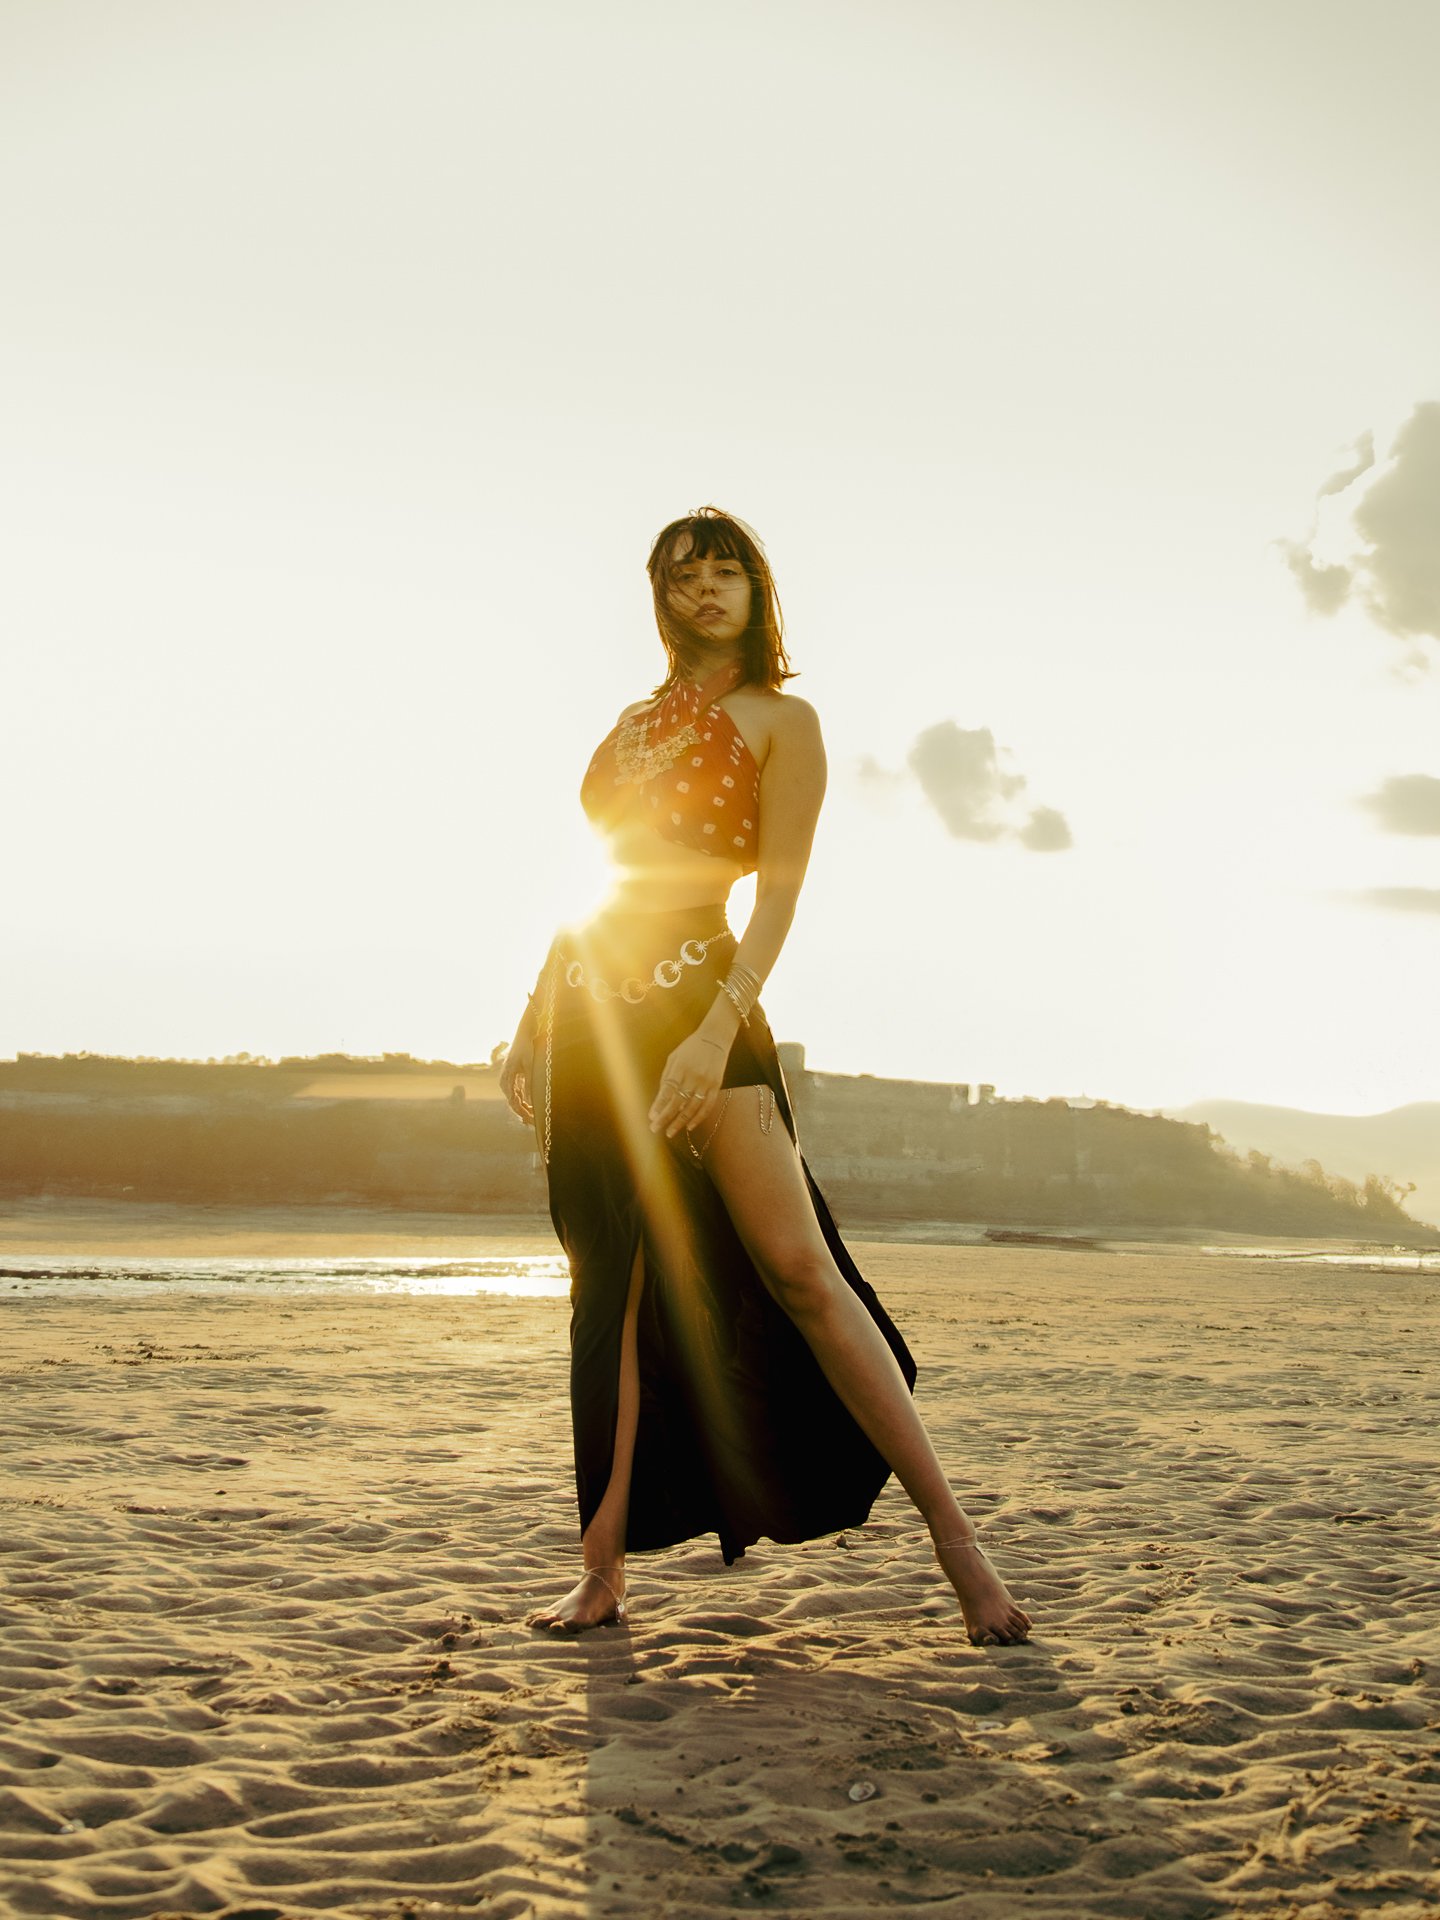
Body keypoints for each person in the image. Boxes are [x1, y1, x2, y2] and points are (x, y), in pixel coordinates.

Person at [500, 507, 1031, 1646]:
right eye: (680, 574)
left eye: (723, 570)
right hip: (590, 1021)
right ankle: (601, 1574)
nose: (702, 589)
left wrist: (712, 1032)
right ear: (659, 596)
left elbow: (779, 893)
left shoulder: (785, 721)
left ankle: (958, 1545)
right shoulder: (633, 723)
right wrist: (530, 1018)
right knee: (613, 1297)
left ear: (757, 589)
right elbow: (593, 885)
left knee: (799, 1269)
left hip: (706, 1003)